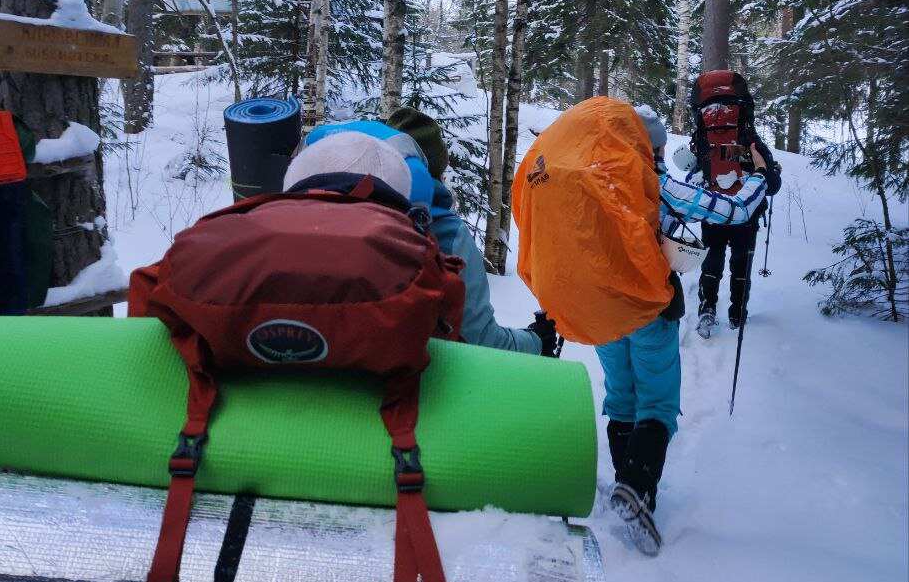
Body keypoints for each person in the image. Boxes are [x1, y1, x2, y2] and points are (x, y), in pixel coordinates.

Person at [596, 105, 769, 554]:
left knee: (621, 396)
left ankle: (628, 485)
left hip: (601, 308)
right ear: (651, 147)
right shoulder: (655, 184)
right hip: (646, 305)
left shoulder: (593, 178)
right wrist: (759, 178)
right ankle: (636, 488)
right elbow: (730, 211)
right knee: (657, 401)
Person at [292, 114, 557, 358]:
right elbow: (480, 341)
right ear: (435, 171)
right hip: (405, 388)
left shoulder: (308, 212)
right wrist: (535, 341)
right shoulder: (446, 232)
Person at [688, 85, 783, 337]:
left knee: (712, 263)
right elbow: (772, 185)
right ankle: (737, 315)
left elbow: (694, 175)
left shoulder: (701, 140)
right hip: (746, 217)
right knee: (741, 267)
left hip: (713, 212)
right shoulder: (752, 141)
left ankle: (707, 309)